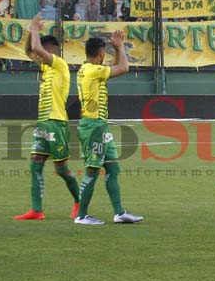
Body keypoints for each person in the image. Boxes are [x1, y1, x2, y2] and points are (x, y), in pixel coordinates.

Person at [14, 15, 81, 221]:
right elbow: (29, 50)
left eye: (42, 51)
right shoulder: (46, 67)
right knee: (36, 162)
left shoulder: (59, 64)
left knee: (61, 168)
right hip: (43, 123)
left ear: (50, 50)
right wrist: (30, 32)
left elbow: (35, 48)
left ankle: (80, 202)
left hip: (56, 122)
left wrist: (34, 28)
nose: (38, 55)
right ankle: (37, 210)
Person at [75, 33, 143, 225]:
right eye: (105, 52)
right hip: (93, 126)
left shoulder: (88, 69)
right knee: (92, 170)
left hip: (100, 125)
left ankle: (119, 213)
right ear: (100, 53)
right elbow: (123, 68)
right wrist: (120, 47)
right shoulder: (92, 70)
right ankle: (81, 216)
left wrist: (117, 48)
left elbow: (115, 68)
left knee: (113, 167)